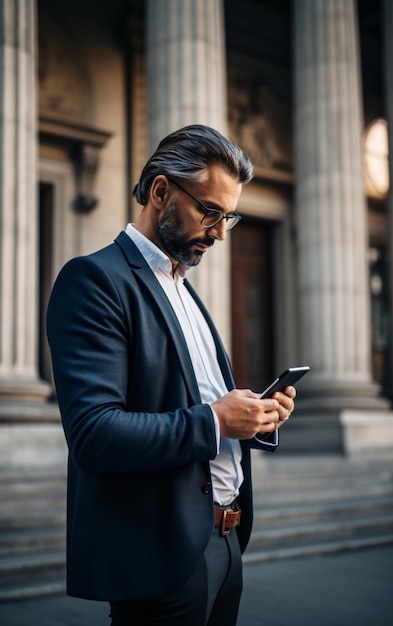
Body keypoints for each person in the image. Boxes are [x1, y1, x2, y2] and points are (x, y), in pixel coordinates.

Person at [46, 124, 296, 626]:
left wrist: (253, 417)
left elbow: (196, 403)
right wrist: (217, 422)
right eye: (210, 212)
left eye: (230, 216)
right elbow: (94, 434)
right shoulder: (95, 280)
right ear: (161, 191)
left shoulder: (185, 288)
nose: (221, 233)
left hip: (226, 544)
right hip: (161, 556)